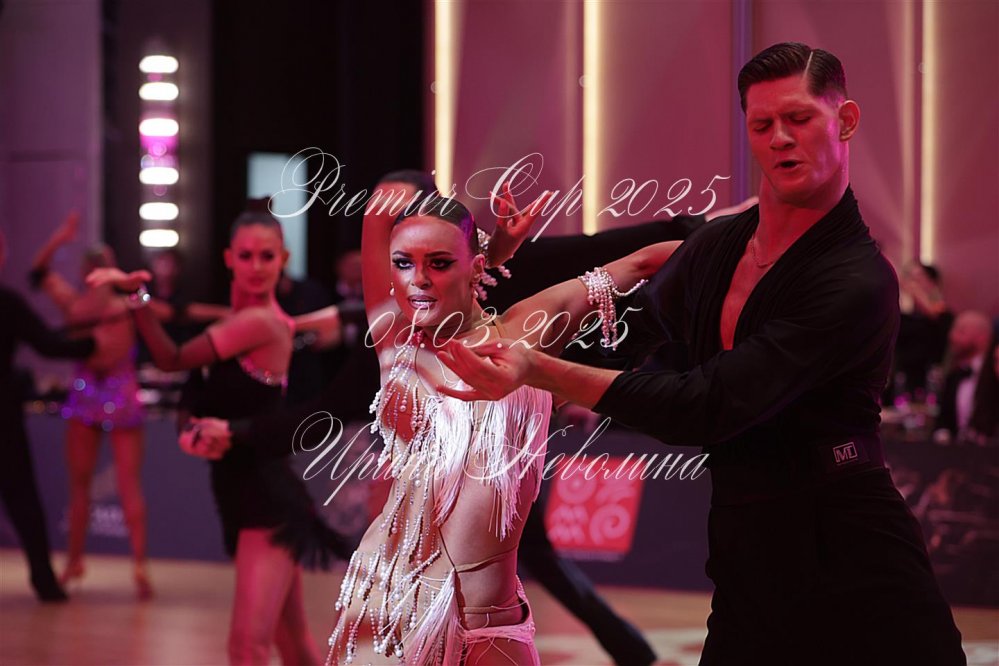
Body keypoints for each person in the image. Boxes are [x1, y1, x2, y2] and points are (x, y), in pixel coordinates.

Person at [436, 42, 966, 665]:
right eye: (763, 125)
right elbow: (618, 342)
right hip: (745, 540)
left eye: (799, 119)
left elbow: (707, 406)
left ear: (844, 120)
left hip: (853, 546)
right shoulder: (720, 247)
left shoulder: (856, 279)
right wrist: (603, 277)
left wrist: (540, 368)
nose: (780, 139)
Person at [302, 172, 679, 664]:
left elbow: (645, 261)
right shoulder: (395, 342)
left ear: (473, 268)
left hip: (492, 628)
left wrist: (751, 253)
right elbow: (378, 219)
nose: (418, 280)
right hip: (396, 624)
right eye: (404, 263)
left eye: (439, 263)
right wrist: (489, 246)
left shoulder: (526, 330)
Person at [88, 200, 349, 665]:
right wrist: (190, 428)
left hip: (266, 503)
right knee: (293, 644)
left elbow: (170, 358)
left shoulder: (261, 323)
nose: (256, 266)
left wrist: (137, 299)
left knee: (246, 649)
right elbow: (194, 391)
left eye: (267, 256)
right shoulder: (231, 323)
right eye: (246, 255)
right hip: (239, 495)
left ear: (284, 259)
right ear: (229, 258)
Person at [30, 211, 152, 598]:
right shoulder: (104, 305)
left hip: (107, 392)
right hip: (95, 394)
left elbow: (38, 273)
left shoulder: (94, 305)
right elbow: (39, 275)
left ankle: (118, 564)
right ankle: (104, 562)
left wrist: (59, 238)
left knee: (96, 485)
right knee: (105, 484)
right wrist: (61, 237)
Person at [0, 230, 96, 601]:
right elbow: (49, 344)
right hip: (3, 417)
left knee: (22, 497)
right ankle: (43, 579)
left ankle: (44, 578)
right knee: (22, 496)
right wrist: (93, 342)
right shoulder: (7, 303)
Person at [934, 310, 998, 443]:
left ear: (983, 337)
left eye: (961, 332)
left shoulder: (994, 375)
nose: (952, 337)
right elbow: (944, 421)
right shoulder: (954, 376)